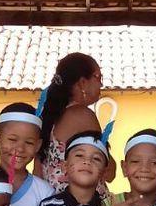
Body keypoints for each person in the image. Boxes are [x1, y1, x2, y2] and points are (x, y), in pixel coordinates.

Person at [35, 51, 116, 191]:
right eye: (98, 77)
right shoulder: (83, 115)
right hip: (83, 204)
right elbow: (109, 171)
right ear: (82, 83)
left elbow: (37, 172)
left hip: (54, 202)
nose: (101, 84)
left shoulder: (47, 117)